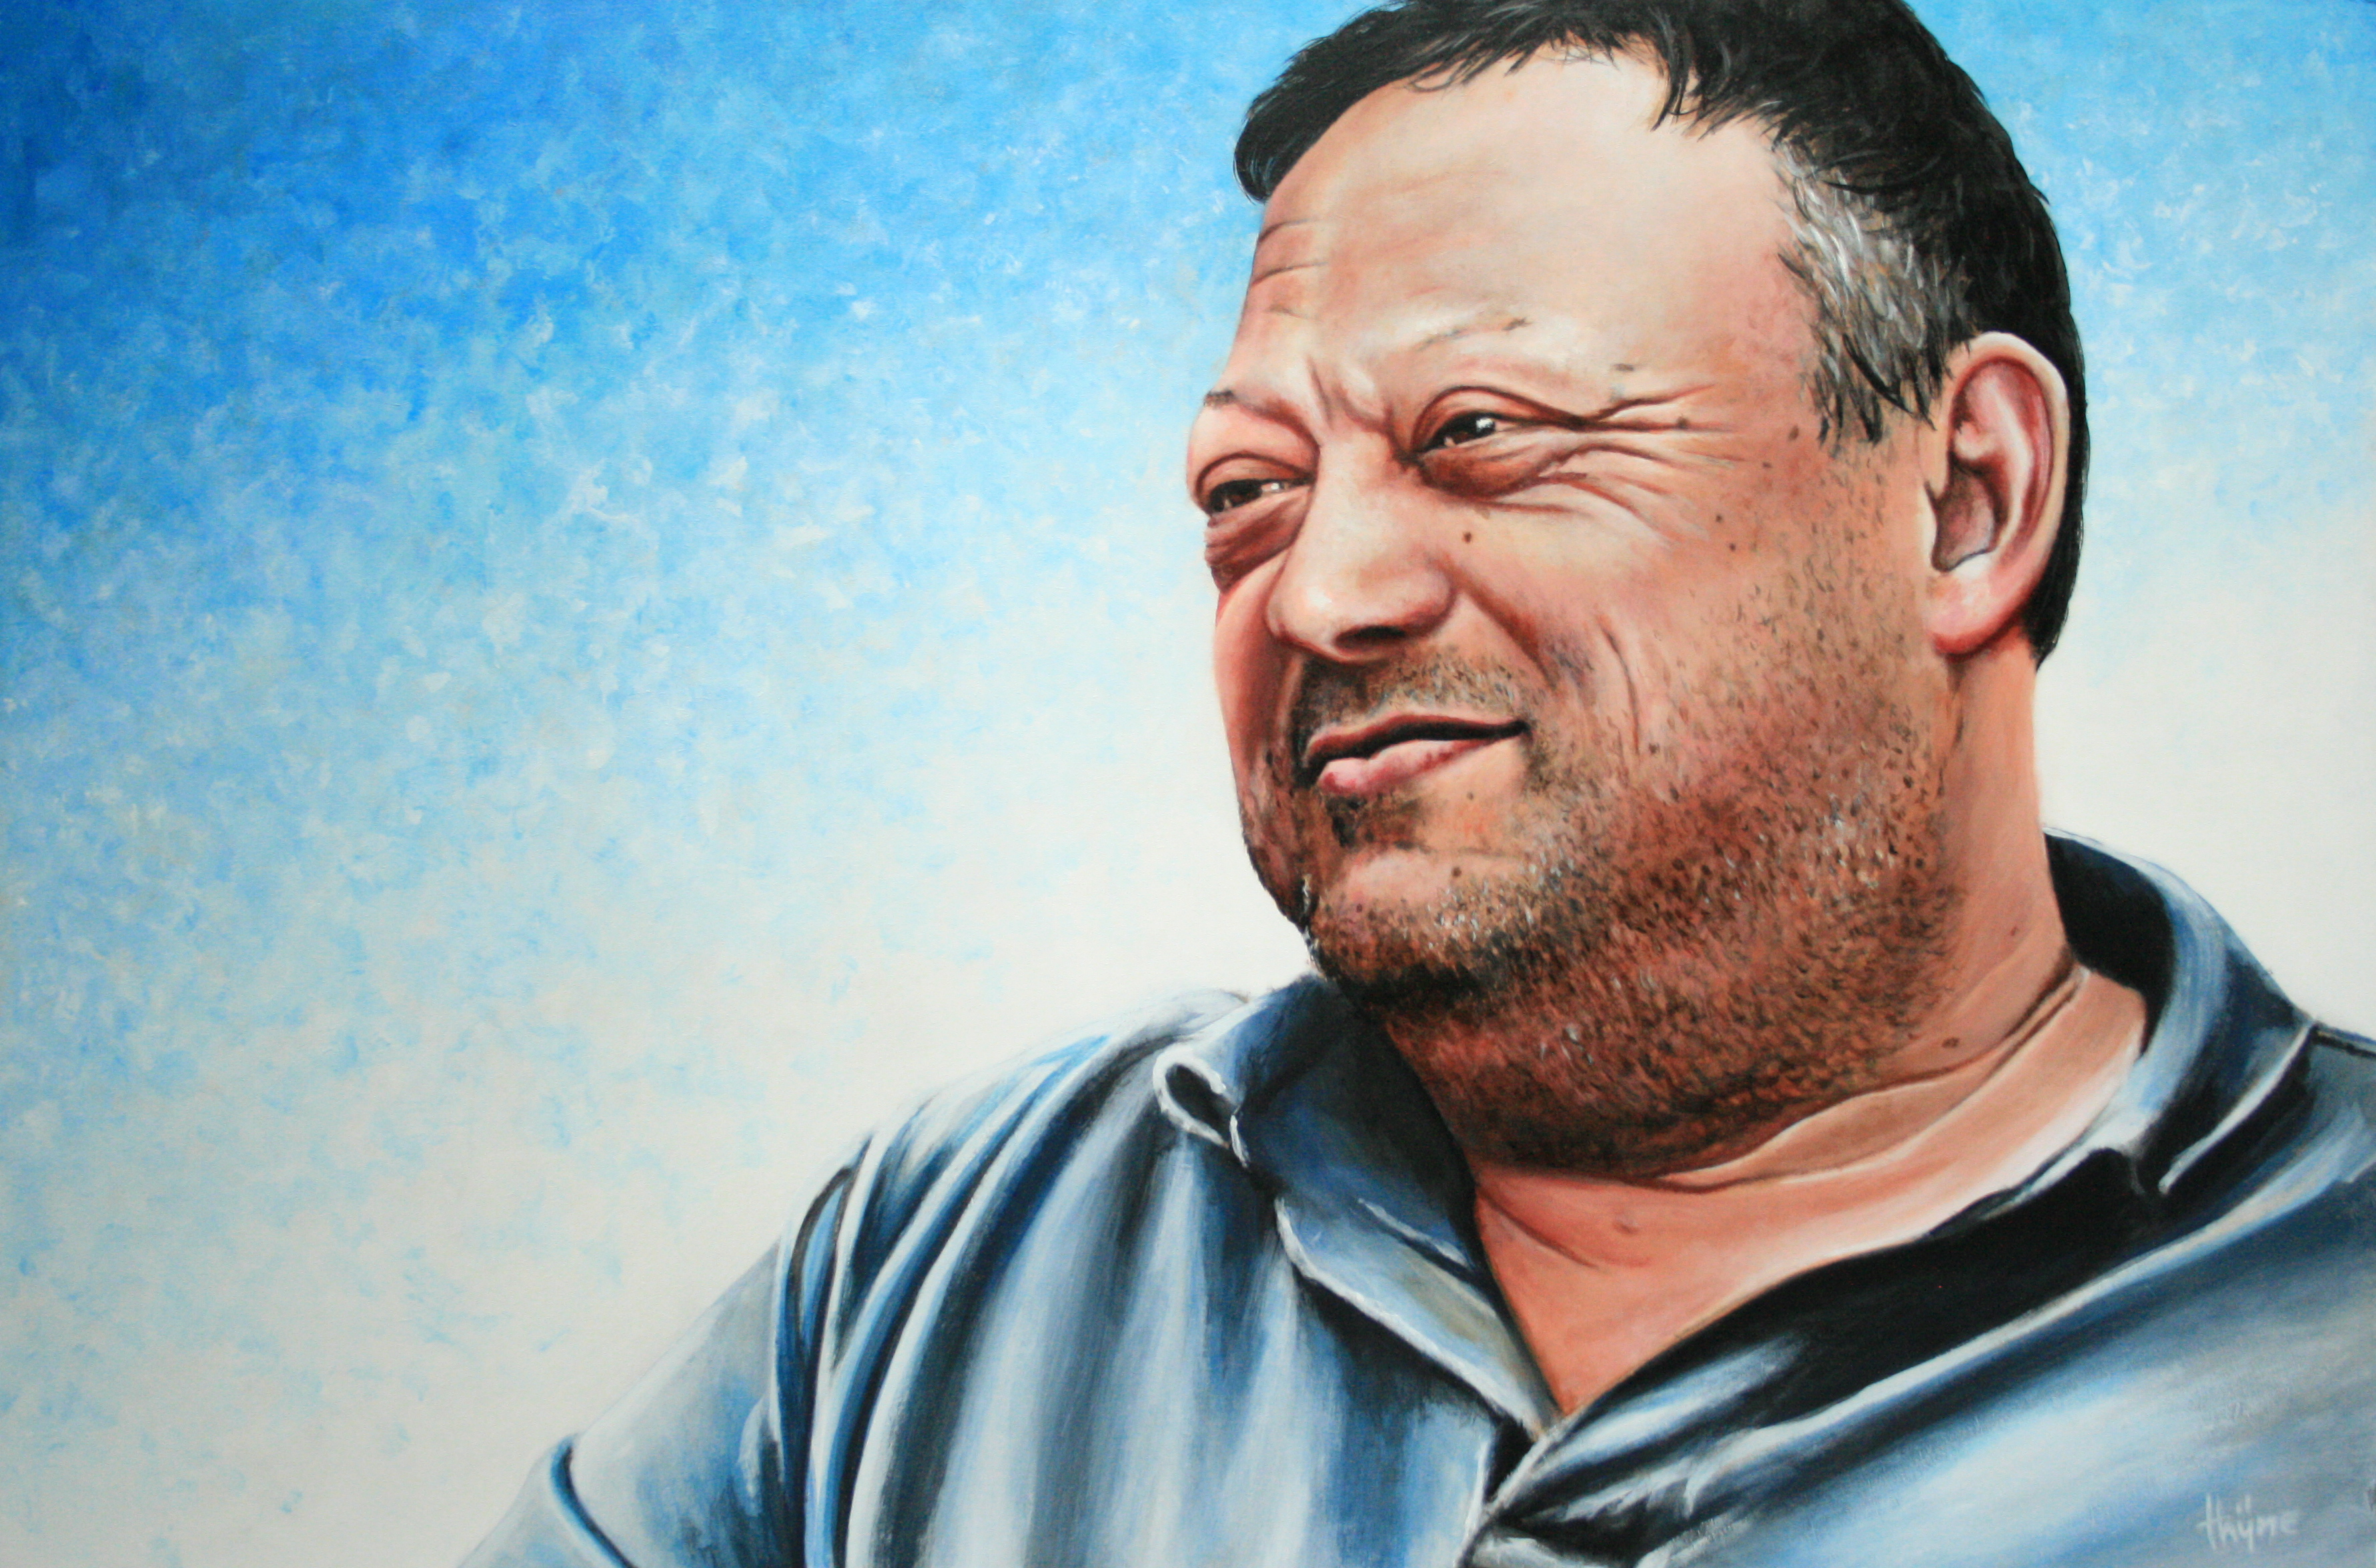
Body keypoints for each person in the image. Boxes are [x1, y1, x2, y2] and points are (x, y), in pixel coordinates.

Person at [464, 1, 2376, 1563]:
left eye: (1479, 434)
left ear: (1965, 499)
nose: (1320, 592)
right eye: (1248, 492)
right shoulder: (953, 1264)